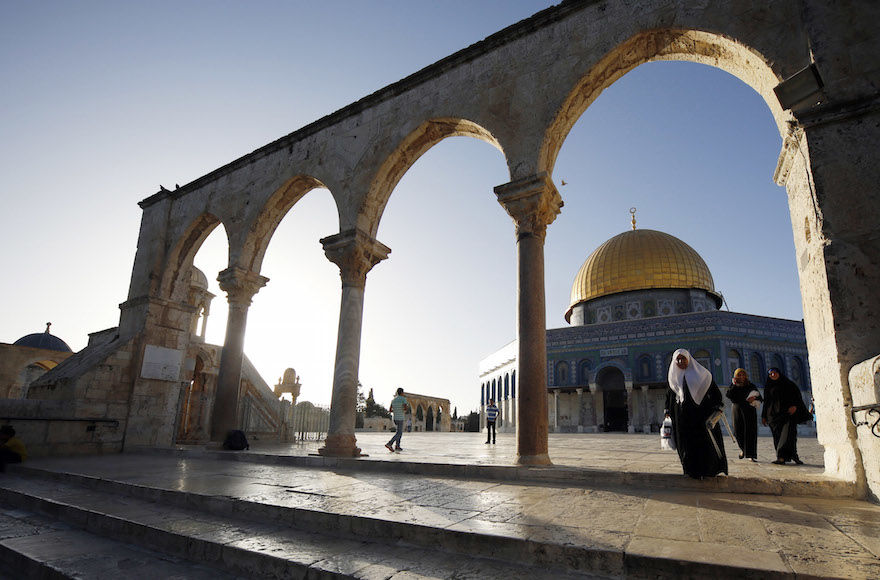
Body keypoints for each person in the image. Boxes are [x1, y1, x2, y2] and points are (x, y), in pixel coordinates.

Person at [665, 349, 728, 479]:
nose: (680, 361)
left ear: (689, 359)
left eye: (683, 359)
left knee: (704, 444)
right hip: (682, 419)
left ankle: (707, 470)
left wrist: (717, 407)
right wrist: (667, 411)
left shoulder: (703, 375)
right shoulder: (674, 378)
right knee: (685, 445)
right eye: (678, 359)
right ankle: (690, 470)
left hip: (701, 417)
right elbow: (669, 398)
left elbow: (716, 394)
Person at [762, 367, 808, 465]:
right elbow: (766, 402)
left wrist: (795, 406)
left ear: (779, 373)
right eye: (771, 374)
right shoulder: (768, 386)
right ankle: (781, 457)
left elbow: (797, 397)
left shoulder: (788, 384)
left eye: (774, 373)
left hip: (788, 414)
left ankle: (791, 456)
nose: (773, 375)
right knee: (777, 437)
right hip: (773, 416)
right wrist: (764, 416)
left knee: (789, 436)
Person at [725, 368, 762, 461]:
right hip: (737, 410)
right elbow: (729, 395)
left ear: (746, 376)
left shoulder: (750, 385)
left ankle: (751, 454)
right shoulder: (734, 386)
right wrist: (734, 384)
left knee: (750, 432)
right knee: (738, 431)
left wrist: (753, 399)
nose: (741, 377)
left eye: (743, 375)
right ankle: (743, 450)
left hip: (749, 411)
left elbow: (760, 398)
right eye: (739, 375)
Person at [385, 388, 409, 452]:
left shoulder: (393, 400)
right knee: (399, 433)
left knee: (398, 432)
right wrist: (403, 409)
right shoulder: (403, 399)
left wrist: (396, 410)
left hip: (395, 418)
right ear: (402, 392)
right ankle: (389, 443)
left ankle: (397, 446)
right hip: (400, 418)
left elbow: (390, 410)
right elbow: (405, 408)